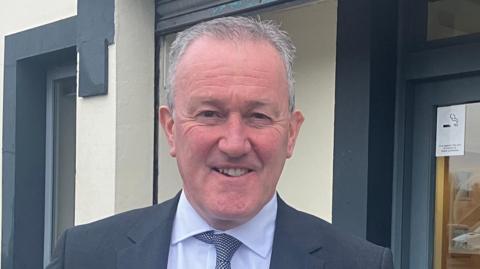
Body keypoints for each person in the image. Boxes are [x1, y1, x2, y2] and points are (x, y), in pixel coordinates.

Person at [47, 16, 393, 269]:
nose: (234, 143)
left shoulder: (360, 264)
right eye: (210, 114)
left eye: (258, 116)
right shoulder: (84, 256)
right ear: (170, 128)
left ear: (291, 133)